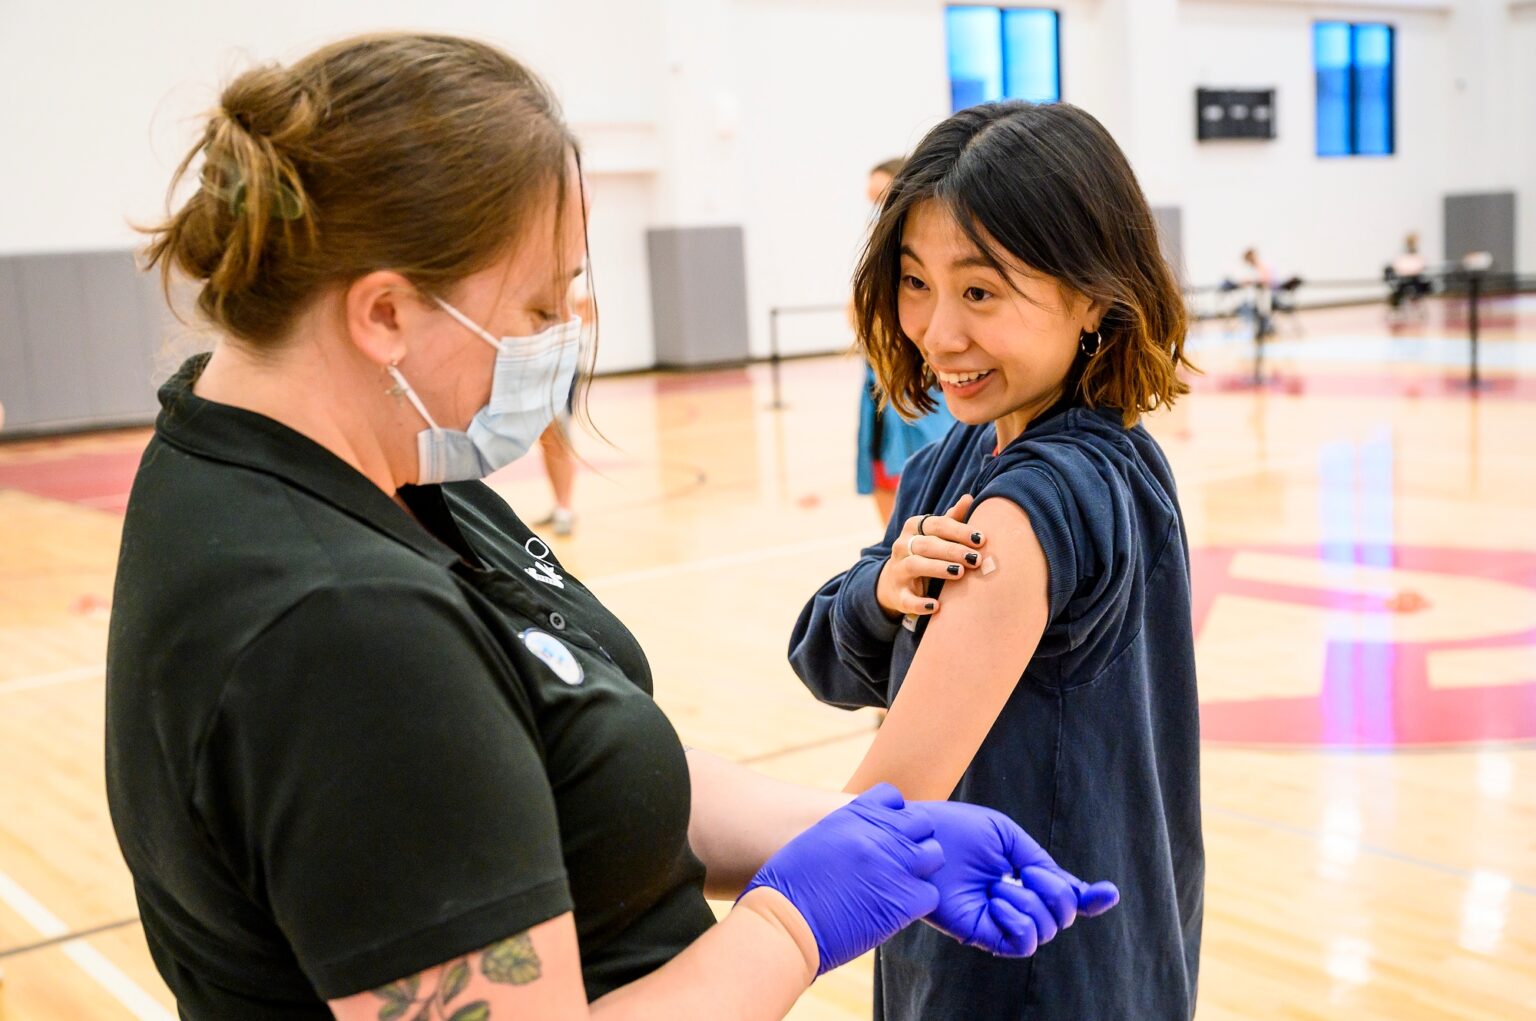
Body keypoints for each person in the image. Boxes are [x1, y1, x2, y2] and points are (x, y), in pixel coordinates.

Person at [104, 35, 1119, 1021]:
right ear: (384, 314)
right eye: (540, 304)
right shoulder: (341, 629)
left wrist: (873, 837)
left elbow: (586, 766)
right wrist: (792, 921)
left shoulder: (379, 464)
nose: (560, 342)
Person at [789, 101, 1204, 1019]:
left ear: (1095, 292)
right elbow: (819, 653)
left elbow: (873, 823)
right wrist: (880, 590)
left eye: (980, 291)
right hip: (1095, 944)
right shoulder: (964, 456)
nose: (937, 333)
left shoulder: (1029, 504)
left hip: (1026, 966)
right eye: (914, 282)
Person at [855, 158, 955, 525]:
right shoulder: (879, 263)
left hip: (925, 401)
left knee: (933, 493)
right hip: (882, 396)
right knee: (884, 491)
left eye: (883, 200)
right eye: (872, 203)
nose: (876, 213)